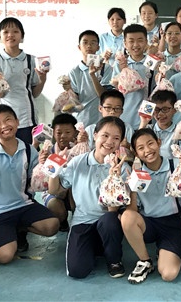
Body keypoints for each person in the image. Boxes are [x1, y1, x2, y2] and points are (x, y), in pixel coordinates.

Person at [47, 116, 129, 279]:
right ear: (95, 135)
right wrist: (54, 168)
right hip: (82, 221)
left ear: (120, 142)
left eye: (116, 138)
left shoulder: (123, 168)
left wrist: (116, 179)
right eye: (105, 135)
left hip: (108, 221)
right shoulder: (77, 162)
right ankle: (97, 247)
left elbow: (118, 207)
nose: (109, 142)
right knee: (77, 271)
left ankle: (114, 260)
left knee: (109, 221)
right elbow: (54, 190)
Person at [0, 105, 59, 264]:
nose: (4, 126)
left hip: (23, 204)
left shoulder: (28, 150)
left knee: (52, 225)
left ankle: (17, 229)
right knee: (4, 256)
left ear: (17, 122)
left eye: (8, 120)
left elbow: (37, 182)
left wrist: (45, 166)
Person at [121, 129, 181, 284]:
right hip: (148, 223)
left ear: (159, 142)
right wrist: (133, 189)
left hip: (172, 224)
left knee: (168, 274)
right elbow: (132, 211)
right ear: (136, 153)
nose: (147, 150)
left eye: (150, 144)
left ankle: (164, 251)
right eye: (141, 148)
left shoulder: (176, 165)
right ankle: (145, 261)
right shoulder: (136, 174)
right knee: (127, 216)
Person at [0, 17, 48, 145]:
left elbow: (34, 93)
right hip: (2, 121)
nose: (10, 35)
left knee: (28, 153)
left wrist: (43, 79)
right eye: (6, 32)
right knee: (3, 154)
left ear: (22, 36)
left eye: (15, 31)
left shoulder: (31, 60)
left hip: (26, 118)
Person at [113, 23, 156, 130]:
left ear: (146, 42)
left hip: (147, 118)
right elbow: (115, 91)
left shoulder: (153, 62)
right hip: (124, 118)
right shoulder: (119, 64)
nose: (136, 45)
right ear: (125, 43)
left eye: (140, 40)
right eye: (131, 41)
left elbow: (158, 89)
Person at [41, 113, 78, 232]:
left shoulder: (80, 149)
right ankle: (62, 222)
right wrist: (42, 163)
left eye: (67, 132)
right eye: (59, 132)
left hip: (74, 192)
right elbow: (42, 180)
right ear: (53, 133)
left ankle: (79, 221)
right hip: (54, 192)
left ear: (75, 132)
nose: (63, 136)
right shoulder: (48, 151)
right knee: (55, 206)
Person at [68, 30, 106, 126]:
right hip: (82, 120)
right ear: (79, 47)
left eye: (93, 43)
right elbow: (75, 102)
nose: (89, 46)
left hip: (102, 120)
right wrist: (68, 89)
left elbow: (105, 96)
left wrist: (92, 75)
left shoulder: (106, 68)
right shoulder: (74, 71)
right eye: (85, 42)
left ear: (98, 47)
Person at [137, 89, 179, 160]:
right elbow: (136, 147)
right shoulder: (148, 129)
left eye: (165, 109)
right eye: (156, 110)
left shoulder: (179, 131)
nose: (160, 114)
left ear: (174, 110)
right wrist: (143, 122)